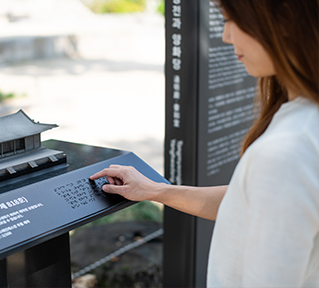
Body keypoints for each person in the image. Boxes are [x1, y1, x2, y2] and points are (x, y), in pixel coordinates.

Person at [90, 0, 319, 287]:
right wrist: (155, 190)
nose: (226, 35)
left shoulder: (285, 152)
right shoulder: (305, 120)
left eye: (230, 18)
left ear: (284, 18)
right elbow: (250, 201)